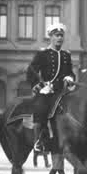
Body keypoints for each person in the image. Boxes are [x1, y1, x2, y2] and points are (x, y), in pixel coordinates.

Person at [25, 22, 76, 153]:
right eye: (57, 35)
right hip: (47, 92)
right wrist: (40, 86)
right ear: (50, 37)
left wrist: (70, 78)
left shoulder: (66, 55)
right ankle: (38, 142)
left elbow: (70, 72)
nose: (60, 38)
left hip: (61, 92)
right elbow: (31, 72)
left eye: (61, 35)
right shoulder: (43, 54)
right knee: (41, 111)